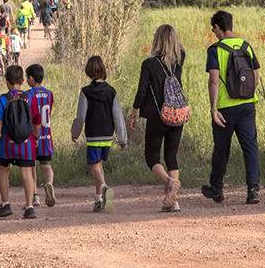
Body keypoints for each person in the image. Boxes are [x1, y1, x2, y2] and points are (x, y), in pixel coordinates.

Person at [203, 10, 261, 205]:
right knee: (250, 147)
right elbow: (255, 76)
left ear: (218, 27)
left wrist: (213, 109)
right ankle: (253, 190)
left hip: (224, 109)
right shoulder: (247, 46)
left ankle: (217, 189)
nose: (214, 33)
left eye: (214, 29)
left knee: (221, 149)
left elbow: (213, 81)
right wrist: (247, 96)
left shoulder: (215, 50)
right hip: (247, 106)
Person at [128, 25, 187, 212]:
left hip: (157, 116)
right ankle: (174, 201)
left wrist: (133, 114)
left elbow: (141, 91)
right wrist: (172, 40)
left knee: (152, 157)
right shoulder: (179, 60)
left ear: (156, 40)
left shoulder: (149, 64)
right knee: (171, 157)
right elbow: (182, 47)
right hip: (177, 114)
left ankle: (170, 182)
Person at [71, 55, 127, 213]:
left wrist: (75, 133)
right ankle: (98, 199)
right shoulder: (112, 91)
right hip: (107, 135)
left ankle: (103, 188)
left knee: (94, 166)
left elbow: (81, 116)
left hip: (93, 135)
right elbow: (118, 116)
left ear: (88, 71)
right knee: (99, 164)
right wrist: (122, 139)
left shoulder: (85, 92)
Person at [0, 64, 40, 219]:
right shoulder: (30, 97)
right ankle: (29, 207)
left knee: (3, 171)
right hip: (26, 143)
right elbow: (36, 120)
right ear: (22, 81)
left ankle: (5, 204)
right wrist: (36, 138)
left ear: (6, 81)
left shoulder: (3, 99)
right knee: (27, 174)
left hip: (7, 142)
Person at [26, 63, 56, 208]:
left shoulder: (28, 95)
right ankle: (49, 183)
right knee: (46, 165)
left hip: (33, 136)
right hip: (47, 135)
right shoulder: (50, 94)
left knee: (32, 167)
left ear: (30, 78)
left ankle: (35, 195)